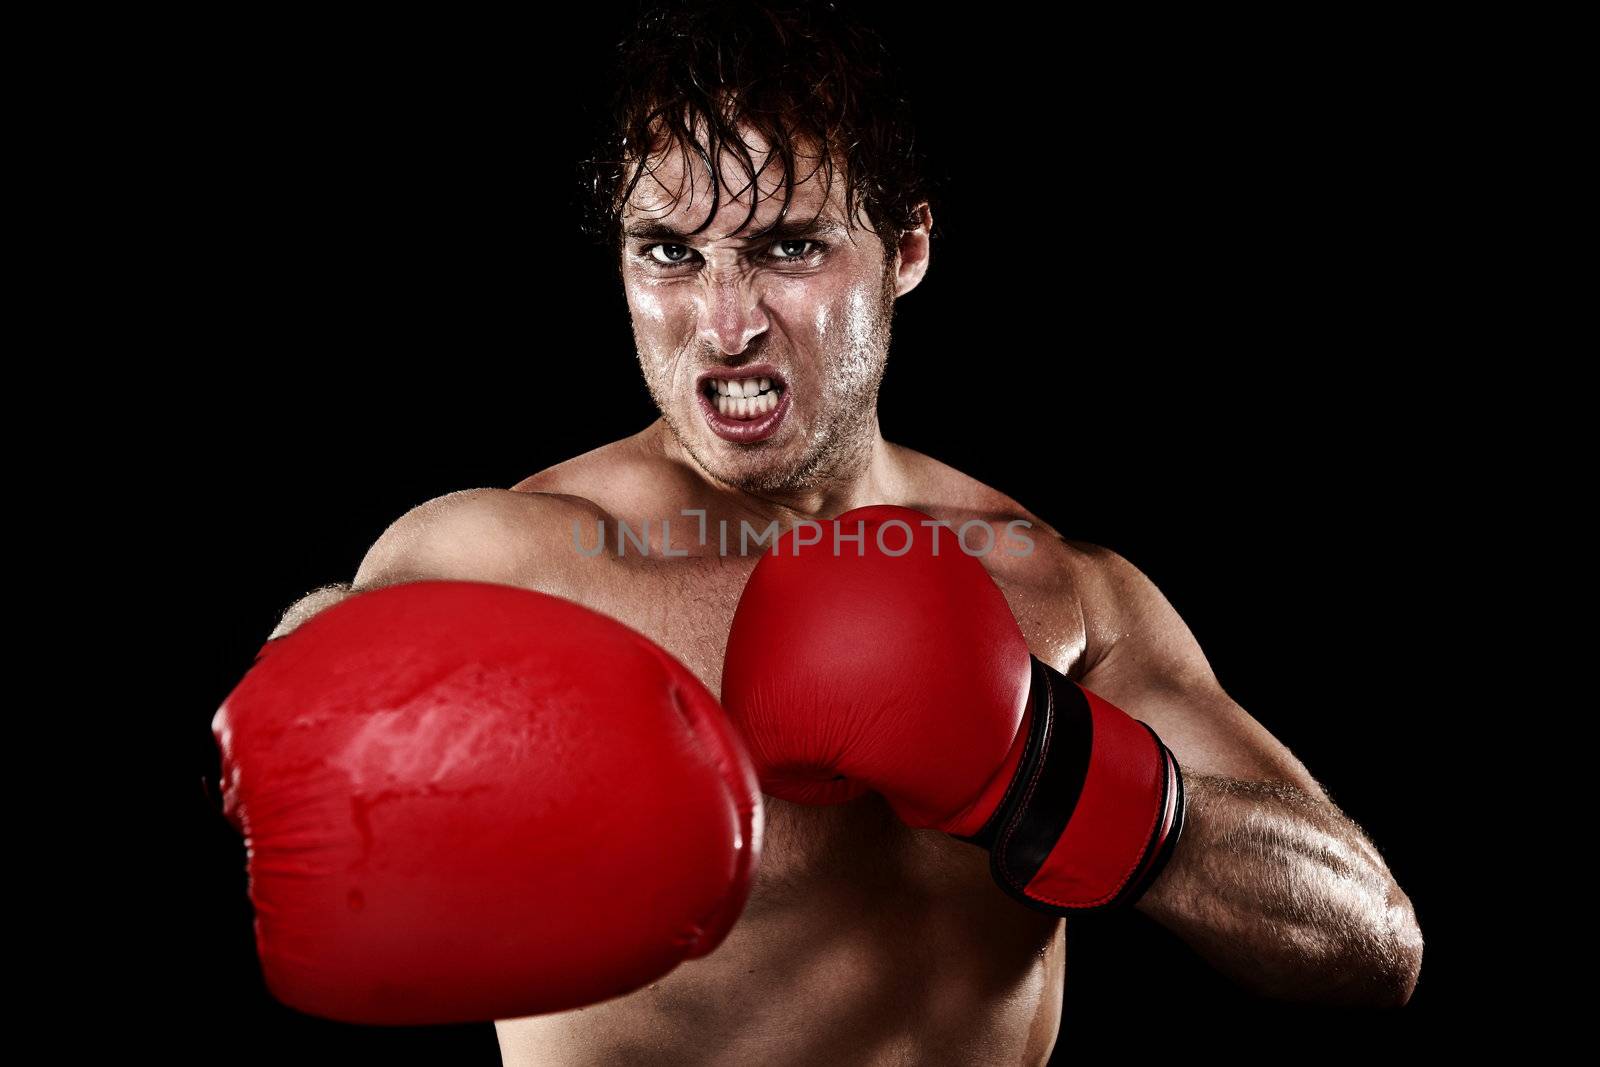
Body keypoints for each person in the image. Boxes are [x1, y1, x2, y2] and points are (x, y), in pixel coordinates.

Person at [228, 2, 1423, 1063]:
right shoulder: (517, 561)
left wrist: (1044, 771)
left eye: (786, 246)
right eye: (668, 254)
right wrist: (344, 673)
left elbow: (1370, 940)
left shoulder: (1054, 588)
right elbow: (294, 696)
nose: (724, 321)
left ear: (904, 246)